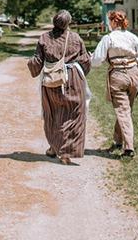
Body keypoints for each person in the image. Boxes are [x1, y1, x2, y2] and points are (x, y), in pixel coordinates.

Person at [91, 10, 138, 158]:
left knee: (123, 111)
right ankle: (118, 141)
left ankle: (128, 147)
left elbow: (96, 61)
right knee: (126, 109)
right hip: (134, 75)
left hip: (118, 76)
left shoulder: (108, 38)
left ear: (113, 22)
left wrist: (91, 58)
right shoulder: (133, 38)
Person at [27, 10, 92, 165]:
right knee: (75, 115)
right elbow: (85, 60)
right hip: (73, 80)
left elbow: (37, 61)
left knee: (53, 114)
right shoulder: (76, 38)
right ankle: (65, 153)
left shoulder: (44, 38)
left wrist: (30, 64)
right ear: (68, 23)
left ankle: (54, 147)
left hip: (51, 81)